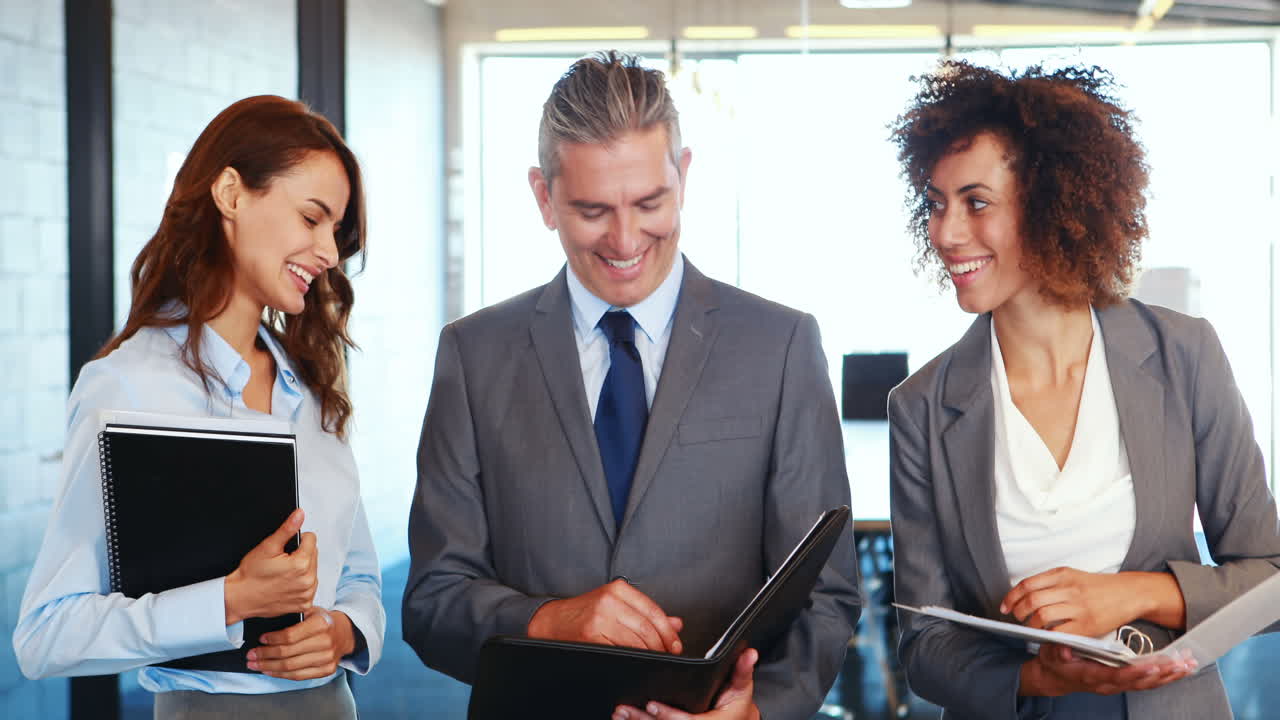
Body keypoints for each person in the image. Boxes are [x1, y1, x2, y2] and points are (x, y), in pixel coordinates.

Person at [402, 51, 859, 720]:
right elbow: (432, 599)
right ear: (543, 196)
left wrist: (759, 710)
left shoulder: (781, 346)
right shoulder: (474, 355)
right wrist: (551, 621)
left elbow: (826, 592)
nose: (624, 240)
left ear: (684, 176)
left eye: (650, 203)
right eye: (592, 210)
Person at [885, 60, 1280, 719]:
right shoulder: (922, 405)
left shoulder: (1184, 356)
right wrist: (1045, 678)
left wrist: (1138, 594)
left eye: (975, 202)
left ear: (1049, 203)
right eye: (936, 203)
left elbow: (1270, 578)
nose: (945, 232)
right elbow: (925, 645)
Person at [13, 95, 385, 718]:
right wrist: (229, 600)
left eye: (336, 231)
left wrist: (343, 632)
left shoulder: (314, 389)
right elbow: (47, 634)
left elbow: (362, 579)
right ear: (232, 194)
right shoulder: (126, 386)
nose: (328, 253)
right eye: (312, 218)